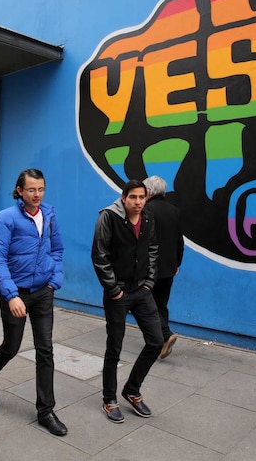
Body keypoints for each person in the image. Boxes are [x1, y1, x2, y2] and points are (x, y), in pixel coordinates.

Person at [0, 169, 67, 436]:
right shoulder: (7, 218)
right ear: (19, 190)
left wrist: (55, 279)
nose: (37, 195)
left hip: (43, 291)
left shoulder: (49, 215)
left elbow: (57, 249)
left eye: (41, 189)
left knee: (46, 349)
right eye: (31, 190)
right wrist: (11, 294)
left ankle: (46, 410)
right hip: (16, 292)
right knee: (11, 346)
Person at [92, 179, 162, 423]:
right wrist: (113, 289)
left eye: (142, 197)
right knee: (115, 347)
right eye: (133, 197)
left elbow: (153, 248)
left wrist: (149, 282)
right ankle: (109, 399)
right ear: (124, 198)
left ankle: (132, 390)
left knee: (156, 341)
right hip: (118, 293)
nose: (138, 202)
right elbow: (99, 256)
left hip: (142, 290)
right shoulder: (109, 218)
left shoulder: (148, 218)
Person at [142, 175, 184, 359]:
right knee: (161, 303)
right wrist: (177, 263)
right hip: (169, 267)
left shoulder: (146, 210)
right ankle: (160, 339)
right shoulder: (174, 210)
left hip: (150, 268)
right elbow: (179, 241)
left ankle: (163, 337)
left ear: (149, 192)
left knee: (148, 305)